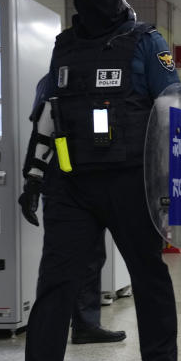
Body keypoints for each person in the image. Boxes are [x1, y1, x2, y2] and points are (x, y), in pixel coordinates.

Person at [0, 0, 181, 361]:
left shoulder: (146, 41)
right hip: (71, 185)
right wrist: (35, 174)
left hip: (130, 182)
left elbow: (174, 116)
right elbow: (49, 113)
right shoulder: (65, 44)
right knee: (55, 283)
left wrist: (174, 200)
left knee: (147, 274)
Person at [25, 73, 127, 345]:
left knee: (94, 255)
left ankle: (85, 323)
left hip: (96, 180)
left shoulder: (108, 77)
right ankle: (51, 338)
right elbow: (42, 133)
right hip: (64, 181)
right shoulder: (53, 80)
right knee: (60, 264)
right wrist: (33, 180)